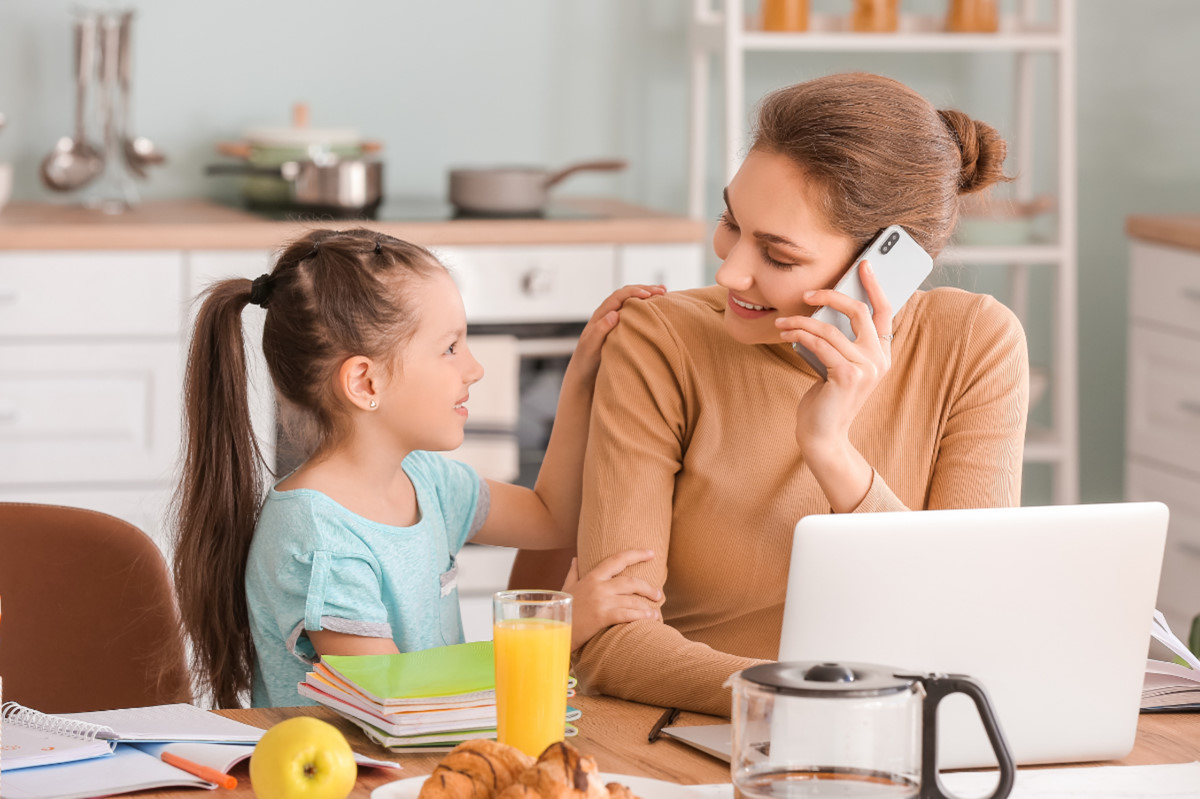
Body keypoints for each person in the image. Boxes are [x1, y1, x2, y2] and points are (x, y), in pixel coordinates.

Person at [570, 72, 1030, 716]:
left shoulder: (975, 343)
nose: (728, 270)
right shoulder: (659, 339)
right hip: (705, 735)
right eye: (731, 221)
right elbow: (610, 642)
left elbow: (964, 619)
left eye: (778, 256)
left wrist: (831, 450)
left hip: (914, 739)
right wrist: (812, 698)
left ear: (886, 266)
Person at [172, 227, 665, 709]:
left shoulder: (425, 480)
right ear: (366, 383)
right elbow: (396, 696)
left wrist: (580, 376)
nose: (475, 368)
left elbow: (550, 516)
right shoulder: (317, 539)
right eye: (450, 348)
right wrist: (561, 631)